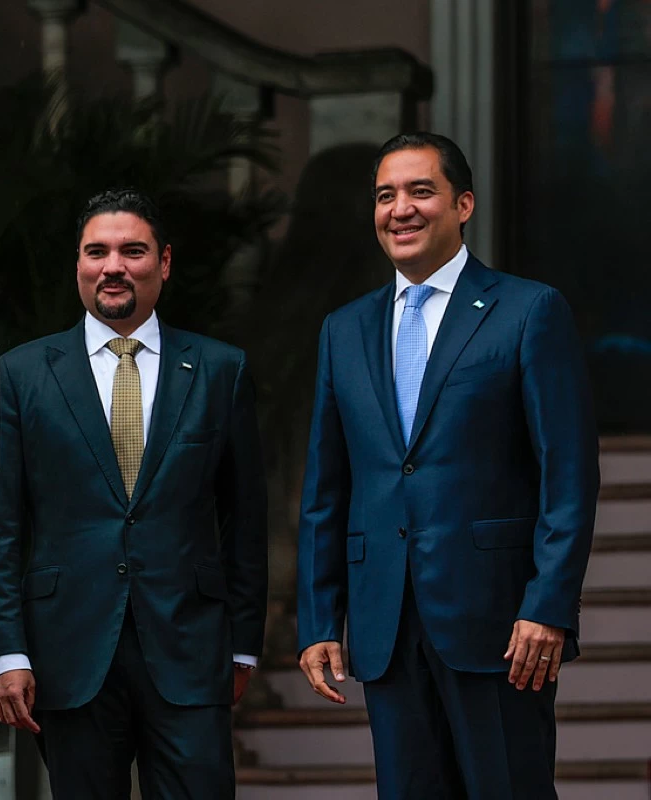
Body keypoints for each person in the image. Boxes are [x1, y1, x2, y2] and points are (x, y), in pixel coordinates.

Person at [296, 132, 598, 799]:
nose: (399, 209)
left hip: (499, 625)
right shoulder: (342, 330)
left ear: (463, 205)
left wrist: (548, 603)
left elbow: (568, 476)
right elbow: (326, 489)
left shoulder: (528, 311)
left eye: (419, 191)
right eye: (385, 195)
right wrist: (320, 619)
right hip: (385, 623)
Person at [0, 189, 269, 799]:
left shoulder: (221, 370)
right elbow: (3, 524)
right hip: (68, 652)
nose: (114, 265)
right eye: (97, 252)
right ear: (79, 265)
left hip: (190, 649)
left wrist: (244, 644)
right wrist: (6, 651)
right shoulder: (22, 373)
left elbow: (244, 521)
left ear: (163, 263)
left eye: (132, 251)